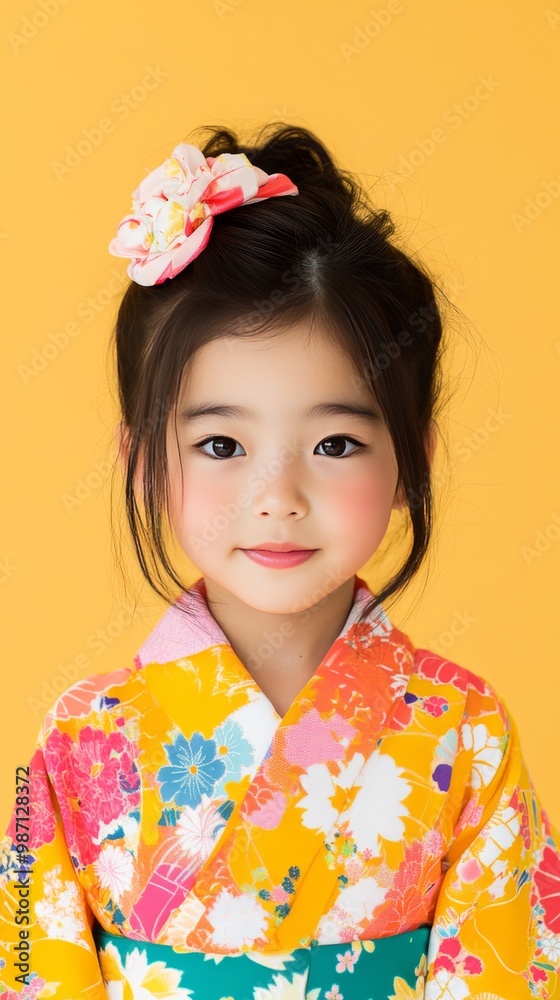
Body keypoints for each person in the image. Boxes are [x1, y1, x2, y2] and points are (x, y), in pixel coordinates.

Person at [1, 123, 559, 1000]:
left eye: (335, 443)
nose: (276, 494)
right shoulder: (75, 738)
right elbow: (28, 967)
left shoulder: (466, 732)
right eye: (221, 444)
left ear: (412, 461)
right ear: (144, 462)